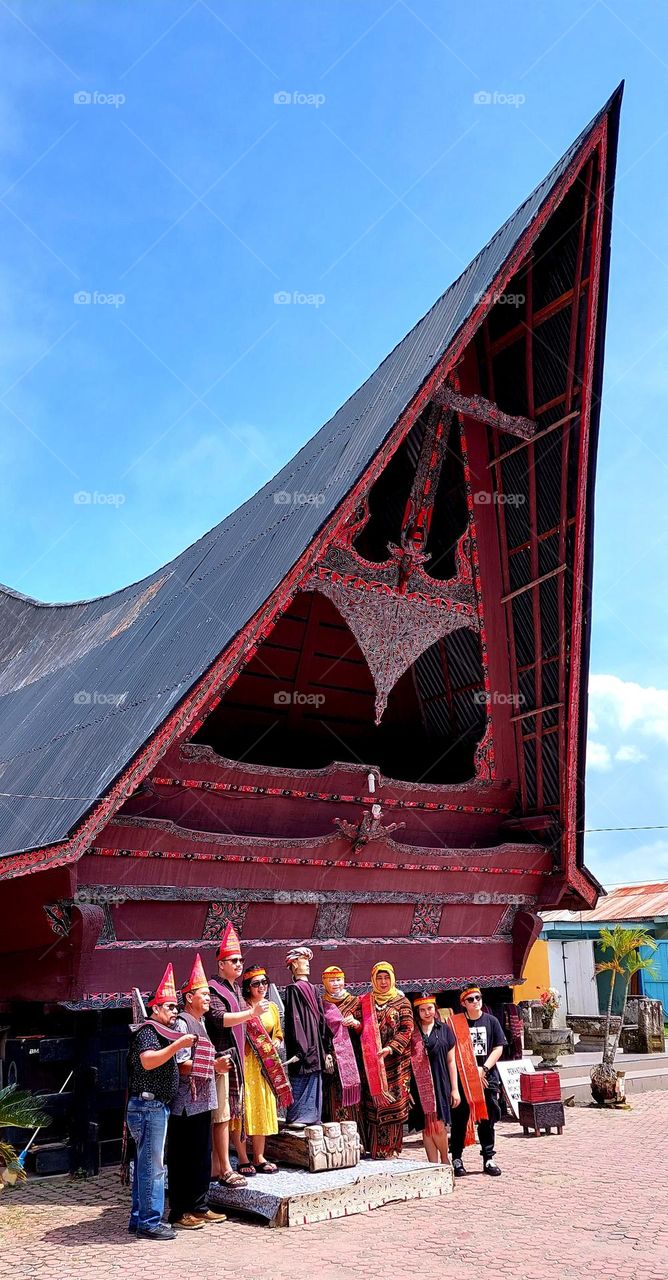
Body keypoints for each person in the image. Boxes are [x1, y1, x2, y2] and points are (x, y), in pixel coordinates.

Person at [126, 963, 195, 1241]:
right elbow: (147, 1060)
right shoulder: (148, 1032)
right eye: (169, 1007)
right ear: (155, 1009)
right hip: (148, 1107)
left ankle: (139, 1218)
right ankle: (149, 1221)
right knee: (153, 1167)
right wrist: (178, 1046)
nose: (174, 1012)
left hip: (154, 1106)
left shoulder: (161, 1033)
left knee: (146, 1164)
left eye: (176, 1007)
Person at [167, 954, 228, 1228]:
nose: (208, 998)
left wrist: (216, 1065)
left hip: (202, 1099)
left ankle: (201, 1206)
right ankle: (180, 1211)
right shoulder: (181, 1023)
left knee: (202, 1155)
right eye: (204, 994)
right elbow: (181, 1063)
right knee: (183, 1157)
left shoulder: (201, 1023)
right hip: (185, 1102)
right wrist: (213, 1064)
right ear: (189, 997)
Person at [207, 923, 264, 1185]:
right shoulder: (213, 988)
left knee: (229, 1115)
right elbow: (220, 1019)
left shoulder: (234, 990)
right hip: (219, 1061)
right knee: (221, 1116)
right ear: (221, 964)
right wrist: (251, 1013)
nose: (239, 964)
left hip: (235, 1061)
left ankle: (218, 1166)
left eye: (241, 959)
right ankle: (226, 1167)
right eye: (233, 960)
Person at [449, 985, 507, 1178]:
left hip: (486, 1078)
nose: (476, 1002)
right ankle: (457, 1157)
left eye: (478, 997)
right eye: (471, 999)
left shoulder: (491, 1021)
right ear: (463, 1003)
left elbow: (498, 1047)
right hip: (464, 1079)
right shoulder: (455, 1024)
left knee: (486, 1120)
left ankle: (488, 1157)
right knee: (460, 1120)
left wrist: (484, 1069)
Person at [360, 962, 413, 1158]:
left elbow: (407, 1029)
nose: (383, 982)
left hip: (395, 1066)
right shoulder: (366, 1002)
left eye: (386, 978)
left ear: (392, 978)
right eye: (379, 978)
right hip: (373, 1065)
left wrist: (391, 1048)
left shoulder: (402, 1002)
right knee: (374, 1106)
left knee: (393, 1108)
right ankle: (375, 1150)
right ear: (373, 979)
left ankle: (392, 1149)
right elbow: (359, 1026)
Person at [241, 966, 286, 1172]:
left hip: (265, 1064)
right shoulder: (243, 1007)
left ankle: (259, 1156)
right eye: (256, 984)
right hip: (247, 1061)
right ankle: (243, 1158)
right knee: (244, 1108)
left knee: (263, 1107)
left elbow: (277, 1032)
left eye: (264, 982)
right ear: (248, 988)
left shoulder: (273, 1008)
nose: (261, 987)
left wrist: (276, 1041)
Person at [408, 996, 458, 1166]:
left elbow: (451, 1061)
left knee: (438, 1125)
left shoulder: (444, 1029)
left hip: (440, 1081)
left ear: (435, 1008)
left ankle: (445, 1159)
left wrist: (455, 1089)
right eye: (422, 1010)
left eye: (429, 1008)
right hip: (419, 1086)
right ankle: (433, 1165)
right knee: (426, 1127)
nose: (426, 1013)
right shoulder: (412, 1033)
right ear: (417, 1012)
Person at [283, 945, 330, 1126]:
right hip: (303, 1046)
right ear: (294, 964)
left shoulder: (313, 988)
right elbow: (295, 1021)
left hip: (314, 1044)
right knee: (302, 1078)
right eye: (303, 960)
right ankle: (298, 1117)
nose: (308, 964)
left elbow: (321, 1019)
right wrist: (301, 1048)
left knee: (313, 1080)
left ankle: (310, 1116)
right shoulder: (293, 989)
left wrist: (323, 1047)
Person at [321, 964, 363, 1127]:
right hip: (332, 1061)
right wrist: (326, 1053)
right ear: (324, 983)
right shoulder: (321, 1004)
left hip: (353, 1058)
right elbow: (319, 1031)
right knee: (333, 1099)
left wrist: (356, 1023)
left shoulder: (354, 1001)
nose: (336, 984)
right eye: (331, 981)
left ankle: (356, 1140)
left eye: (338, 980)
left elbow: (365, 1030)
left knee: (354, 1102)